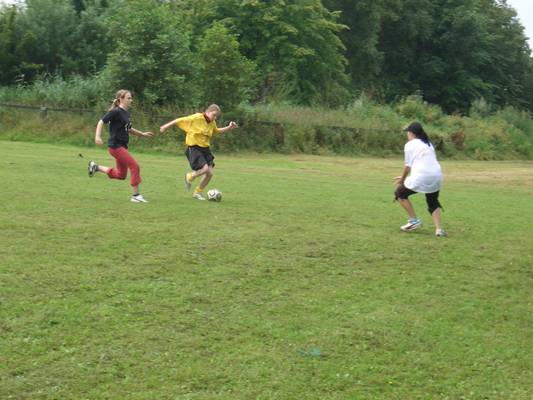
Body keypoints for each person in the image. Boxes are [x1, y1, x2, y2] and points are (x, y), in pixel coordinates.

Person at [159, 104, 238, 200]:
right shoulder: (197, 117)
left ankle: (197, 192)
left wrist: (229, 128)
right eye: (214, 115)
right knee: (205, 169)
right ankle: (190, 176)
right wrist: (165, 127)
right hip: (194, 147)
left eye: (216, 116)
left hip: (205, 149)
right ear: (208, 112)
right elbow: (178, 120)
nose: (215, 117)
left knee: (210, 173)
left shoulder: (212, 122)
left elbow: (216, 131)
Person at [88, 90, 154, 203]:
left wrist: (142, 134)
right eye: (128, 98)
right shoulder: (115, 112)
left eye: (131, 98)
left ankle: (96, 167)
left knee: (121, 175)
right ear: (121, 99)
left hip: (122, 146)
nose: (131, 100)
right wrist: (97, 136)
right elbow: (101, 122)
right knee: (135, 166)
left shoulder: (127, 114)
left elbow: (128, 129)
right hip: (115, 146)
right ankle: (136, 196)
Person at [394, 122, 446, 236]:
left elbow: (407, 166)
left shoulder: (409, 144)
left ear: (411, 133)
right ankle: (439, 230)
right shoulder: (428, 144)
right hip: (437, 175)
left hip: (422, 176)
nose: (407, 134)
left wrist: (402, 180)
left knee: (399, 193)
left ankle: (414, 221)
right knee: (432, 201)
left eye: (408, 132)